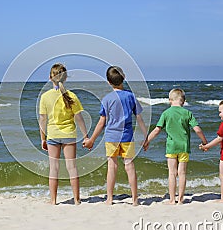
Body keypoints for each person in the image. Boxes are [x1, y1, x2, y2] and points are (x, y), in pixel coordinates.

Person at [83, 66, 148, 206]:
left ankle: (110, 198)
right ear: (123, 78)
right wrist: (146, 137)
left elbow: (101, 122)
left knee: (112, 167)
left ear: (108, 82)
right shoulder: (131, 96)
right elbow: (140, 119)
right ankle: (135, 199)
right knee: (129, 166)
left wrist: (92, 139)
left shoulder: (107, 99)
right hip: (127, 137)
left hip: (112, 137)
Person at [143, 88, 207, 205]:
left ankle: (172, 199)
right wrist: (204, 142)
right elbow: (197, 129)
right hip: (184, 147)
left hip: (171, 147)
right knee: (182, 173)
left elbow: (157, 130)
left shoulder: (166, 113)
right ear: (183, 101)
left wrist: (147, 141)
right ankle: (181, 199)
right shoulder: (187, 113)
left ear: (170, 100)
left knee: (172, 173)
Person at [39, 63, 88, 205]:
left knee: (54, 168)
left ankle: (53, 200)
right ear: (65, 78)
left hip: (53, 135)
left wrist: (43, 138)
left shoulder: (45, 97)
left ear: (50, 78)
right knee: (72, 168)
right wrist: (86, 136)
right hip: (69, 135)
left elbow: (42, 120)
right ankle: (77, 199)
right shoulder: (71, 96)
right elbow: (79, 118)